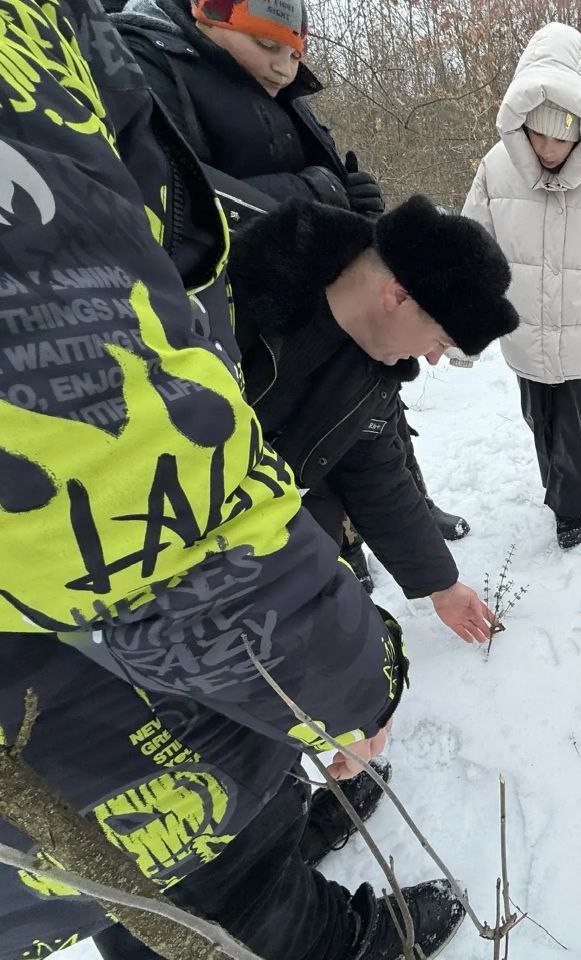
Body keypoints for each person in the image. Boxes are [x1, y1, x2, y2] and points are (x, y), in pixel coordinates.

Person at [0, 2, 462, 957]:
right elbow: (121, 477)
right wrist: (351, 679)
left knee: (228, 774)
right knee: (197, 858)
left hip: (126, 609)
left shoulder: (80, 40)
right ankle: (332, 936)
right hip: (67, 648)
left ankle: (286, 833)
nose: (285, 68)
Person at [110, 0, 473, 553]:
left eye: (294, 52)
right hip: (245, 338)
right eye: (268, 46)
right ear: (205, 16)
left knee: (375, 428)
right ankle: (341, 552)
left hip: (333, 320)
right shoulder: (142, 62)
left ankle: (394, 523)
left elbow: (319, 179)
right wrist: (317, 196)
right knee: (306, 465)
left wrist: (356, 206)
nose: (284, 67)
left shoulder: (276, 94)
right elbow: (168, 195)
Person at [225, 195, 519, 645]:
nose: (435, 359)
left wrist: (441, 584)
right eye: (441, 340)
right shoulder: (227, 298)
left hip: (259, 555)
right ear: (398, 296)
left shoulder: (372, 372)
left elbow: (376, 477)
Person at [463, 23, 581, 550]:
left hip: (576, 337)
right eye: (537, 133)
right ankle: (554, 486)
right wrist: (459, 333)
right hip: (521, 333)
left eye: (560, 134)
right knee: (535, 417)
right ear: (518, 124)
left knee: (570, 425)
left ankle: (571, 509)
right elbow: (469, 255)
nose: (547, 147)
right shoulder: (495, 171)